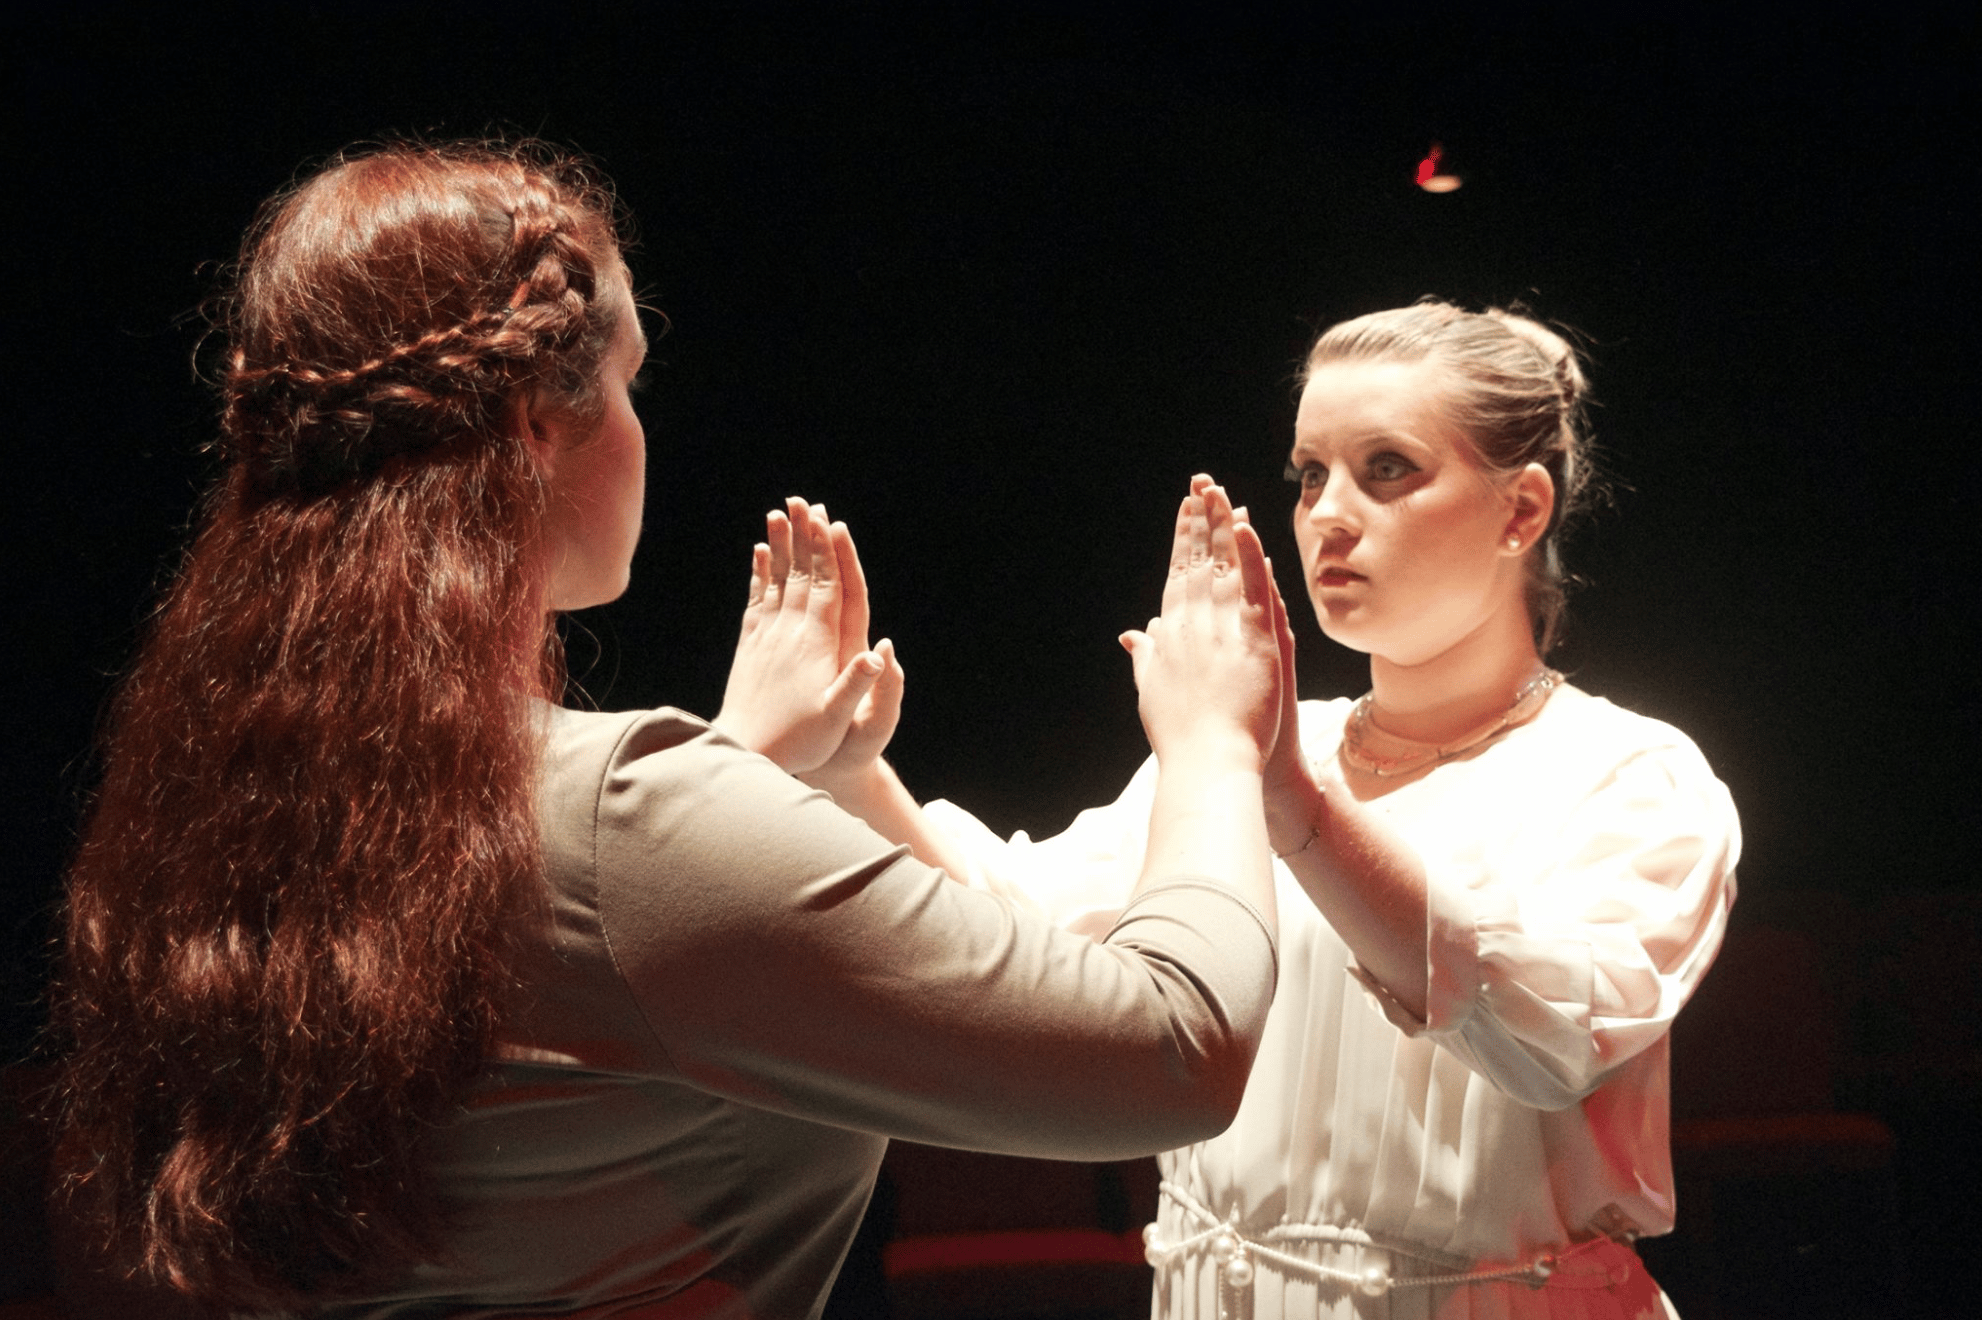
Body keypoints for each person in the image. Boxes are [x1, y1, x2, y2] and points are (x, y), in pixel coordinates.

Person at [51, 140, 1291, 1319]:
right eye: (627, 380)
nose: (641, 429)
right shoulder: (623, 819)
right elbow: (1173, 1048)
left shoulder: (212, 810)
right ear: (537, 423)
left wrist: (737, 775)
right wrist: (1211, 743)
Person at [815, 302, 1742, 1318]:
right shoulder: (1252, 748)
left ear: (1519, 512)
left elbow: (1550, 1033)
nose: (1327, 514)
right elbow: (1019, 941)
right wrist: (853, 768)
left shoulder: (1625, 774)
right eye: (1309, 474)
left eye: (1385, 468)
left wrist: (1287, 796)